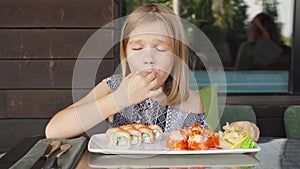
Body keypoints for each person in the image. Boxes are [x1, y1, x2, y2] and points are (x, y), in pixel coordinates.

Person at [45, 4, 260, 141]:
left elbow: (201, 143)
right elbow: (54, 130)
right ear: (126, 54)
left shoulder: (190, 100)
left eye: (160, 48)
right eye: (137, 48)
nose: (148, 58)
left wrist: (235, 132)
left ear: (176, 56)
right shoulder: (113, 86)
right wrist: (119, 99)